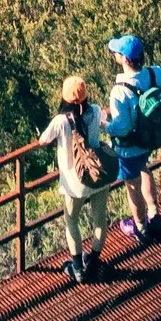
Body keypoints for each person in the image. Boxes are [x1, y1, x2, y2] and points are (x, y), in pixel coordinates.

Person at [103, 33, 161, 241]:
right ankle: (154, 215)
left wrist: (104, 125)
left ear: (124, 59)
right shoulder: (153, 74)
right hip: (149, 140)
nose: (114, 54)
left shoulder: (120, 91)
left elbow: (121, 127)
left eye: (117, 52)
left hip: (129, 147)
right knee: (144, 169)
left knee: (132, 184)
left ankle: (140, 228)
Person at [43, 74, 112, 283]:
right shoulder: (96, 111)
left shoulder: (61, 121)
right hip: (98, 176)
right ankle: (93, 260)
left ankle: (77, 268)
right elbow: (103, 124)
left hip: (75, 184)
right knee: (99, 220)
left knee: (71, 221)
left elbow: (43, 140)